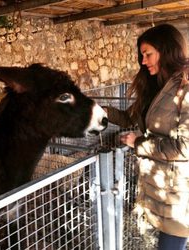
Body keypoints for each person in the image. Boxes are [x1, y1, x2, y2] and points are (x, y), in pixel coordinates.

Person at [105, 24, 189, 250]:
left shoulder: (186, 86)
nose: (143, 61)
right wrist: (99, 110)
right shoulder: (156, 86)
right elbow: (128, 118)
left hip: (180, 194)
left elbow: (185, 147)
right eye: (142, 55)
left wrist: (139, 143)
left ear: (167, 50)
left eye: (148, 54)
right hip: (159, 189)